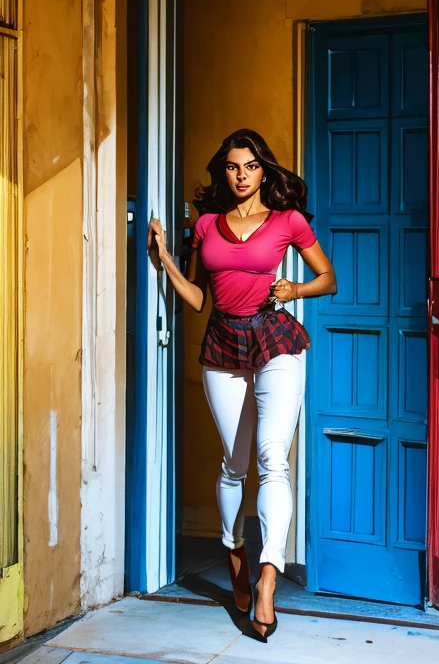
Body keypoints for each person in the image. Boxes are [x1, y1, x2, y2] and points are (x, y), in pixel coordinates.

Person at [148, 128, 336, 642]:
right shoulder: (206, 224)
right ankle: (235, 553)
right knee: (235, 463)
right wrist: (163, 256)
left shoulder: (287, 220)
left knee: (273, 456)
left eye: (250, 166)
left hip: (275, 339)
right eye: (232, 167)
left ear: (263, 170)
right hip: (222, 345)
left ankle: (268, 579)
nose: (241, 176)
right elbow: (196, 298)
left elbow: (328, 279)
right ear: (223, 171)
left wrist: (294, 287)